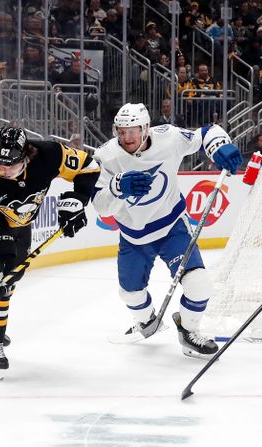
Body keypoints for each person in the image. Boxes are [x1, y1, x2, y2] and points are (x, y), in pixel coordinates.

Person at [91, 103, 242, 359]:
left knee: (199, 284)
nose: (127, 137)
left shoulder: (168, 137)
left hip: (173, 228)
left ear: (146, 128)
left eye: (133, 131)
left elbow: (206, 133)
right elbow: (100, 206)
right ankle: (148, 321)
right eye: (122, 131)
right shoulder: (106, 157)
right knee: (129, 293)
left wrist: (219, 146)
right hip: (134, 235)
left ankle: (189, 331)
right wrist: (118, 189)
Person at [0, 126, 100, 379]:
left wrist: (79, 199)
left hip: (21, 223)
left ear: (27, 156)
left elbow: (88, 166)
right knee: (1, 274)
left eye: (11, 166)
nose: (4, 171)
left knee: (12, 278)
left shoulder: (49, 154)